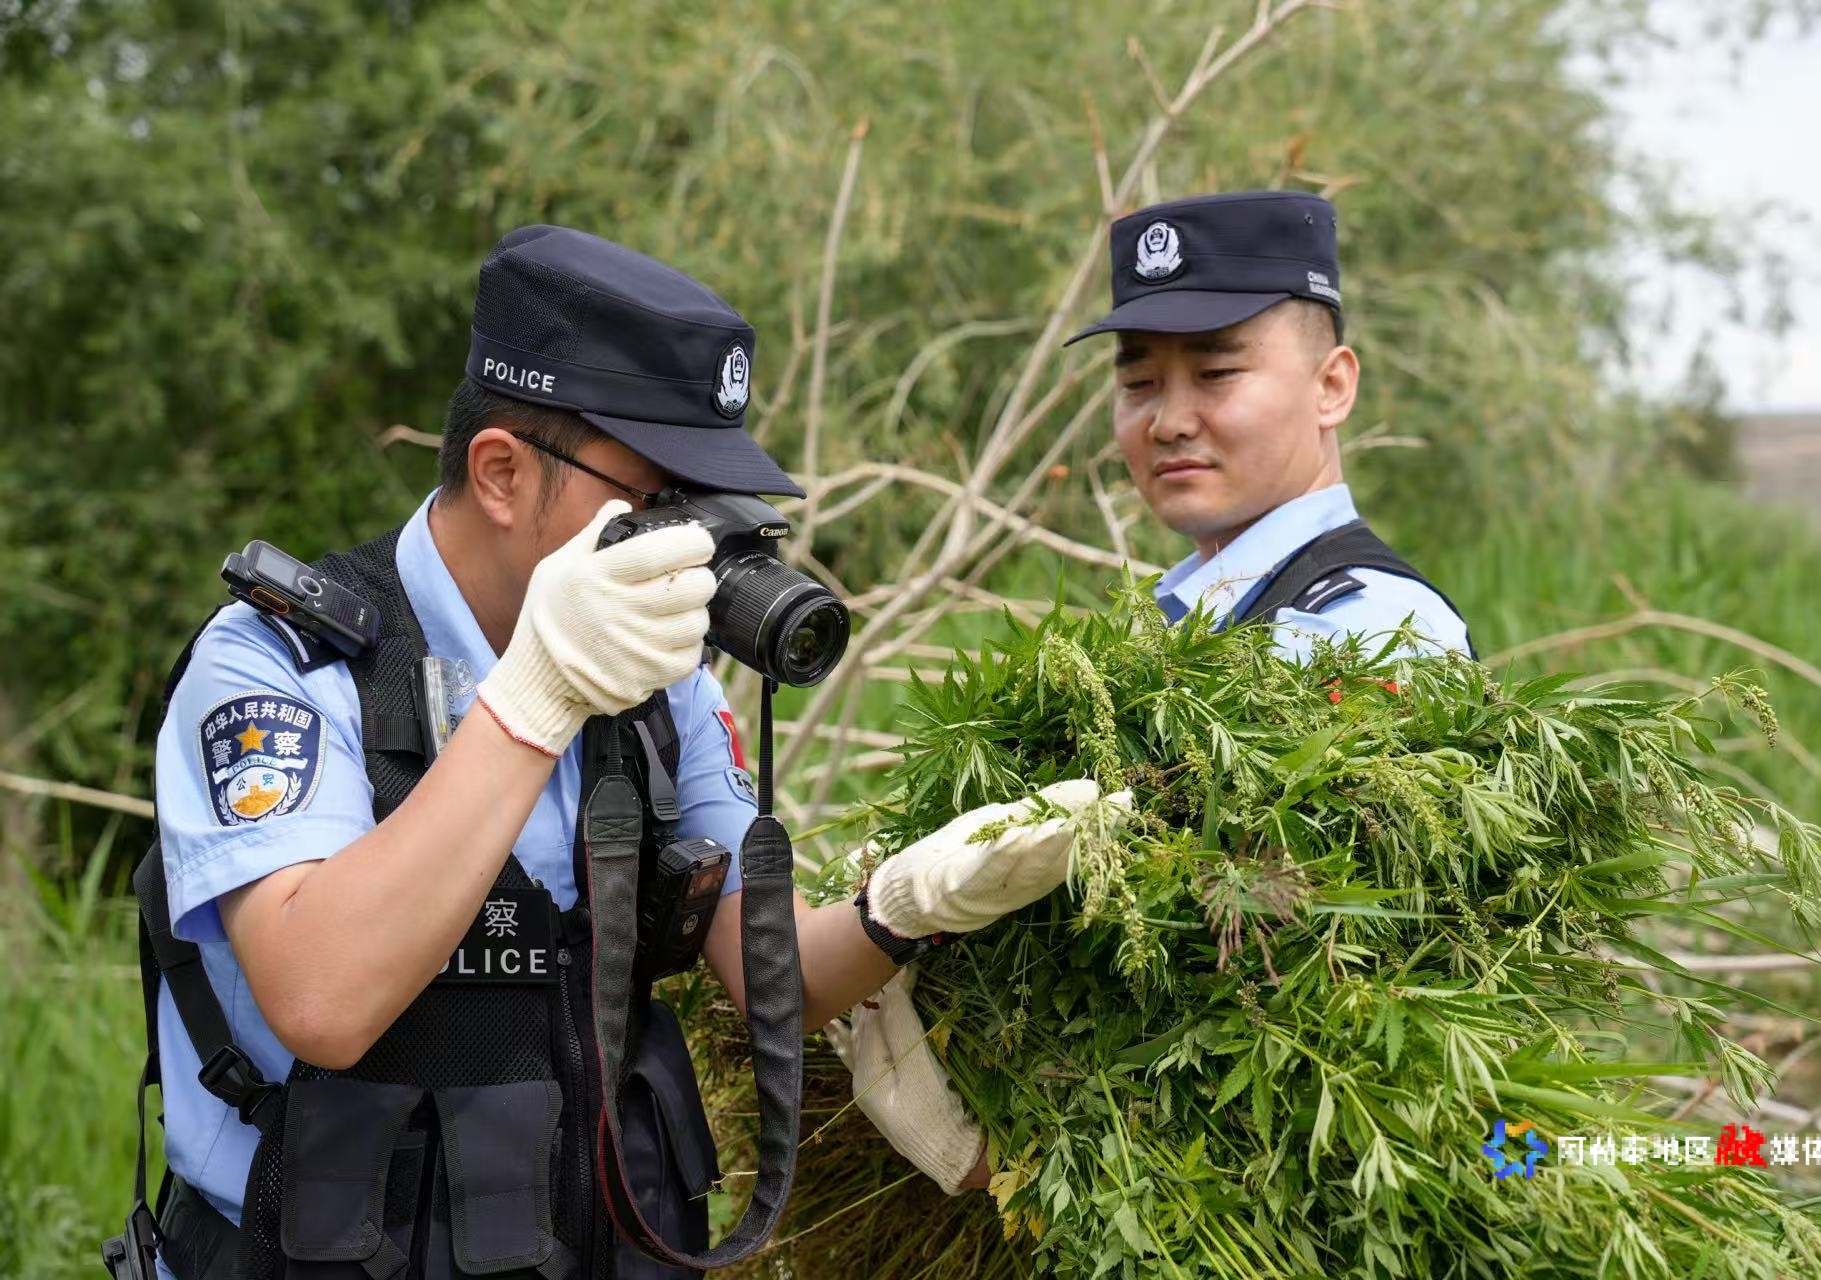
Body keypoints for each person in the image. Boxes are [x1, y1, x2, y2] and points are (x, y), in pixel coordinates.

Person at [136, 224, 1121, 1279]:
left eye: (708, 506)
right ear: (502, 473)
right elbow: (321, 1001)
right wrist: (533, 698)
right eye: (657, 502)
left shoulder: (662, 686)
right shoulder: (281, 664)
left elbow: (773, 973)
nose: (690, 544)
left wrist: (908, 905)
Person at [829, 189, 1474, 1194]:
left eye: (1217, 373)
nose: (1169, 420)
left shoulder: (1363, 627)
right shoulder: (1185, 621)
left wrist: (1003, 1162)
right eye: (1138, 383)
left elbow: (1296, 974)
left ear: (1332, 385)